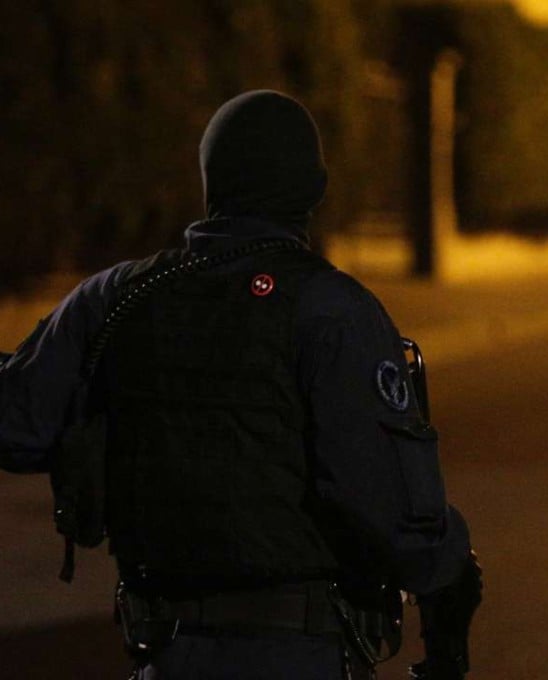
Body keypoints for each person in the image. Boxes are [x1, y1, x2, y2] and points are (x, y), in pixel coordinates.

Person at [0, 90, 480, 679]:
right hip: (299, 656)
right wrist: (453, 570)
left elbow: (17, 426)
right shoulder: (333, 310)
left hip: (164, 653)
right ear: (314, 189)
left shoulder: (115, 298)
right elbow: (391, 512)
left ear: (211, 181)